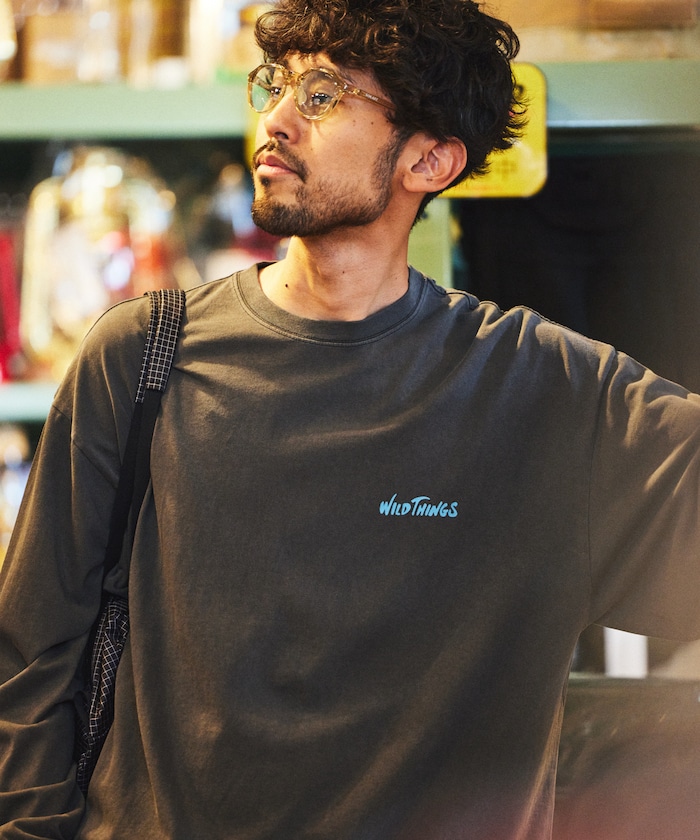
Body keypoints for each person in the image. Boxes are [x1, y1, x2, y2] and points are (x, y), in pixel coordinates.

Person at [1, 0, 699, 837]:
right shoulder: (142, 357)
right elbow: (31, 659)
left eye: (324, 95)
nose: (276, 118)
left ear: (429, 160)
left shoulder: (549, 393)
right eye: (276, 84)